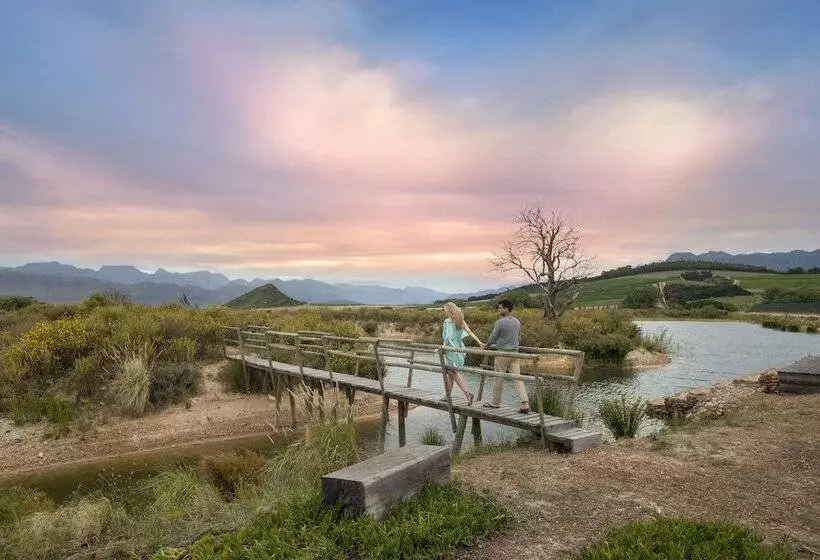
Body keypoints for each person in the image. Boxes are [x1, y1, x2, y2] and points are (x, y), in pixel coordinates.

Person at [483, 299, 529, 413]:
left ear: (506, 309)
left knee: (498, 378)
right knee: (518, 378)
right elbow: (519, 337)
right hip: (515, 353)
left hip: (503, 353)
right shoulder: (517, 322)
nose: (498, 310)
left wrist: (486, 346)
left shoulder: (500, 322)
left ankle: (495, 402)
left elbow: (493, 336)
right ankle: (524, 403)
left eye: (500, 308)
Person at [441, 302, 483, 404]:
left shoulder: (447, 321)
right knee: (451, 373)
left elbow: (447, 338)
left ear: (449, 310)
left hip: (451, 350)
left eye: (445, 309)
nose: (444, 311)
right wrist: (479, 342)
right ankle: (447, 395)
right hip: (459, 349)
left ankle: (467, 393)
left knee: (453, 372)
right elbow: (470, 332)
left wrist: (442, 348)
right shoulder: (460, 320)